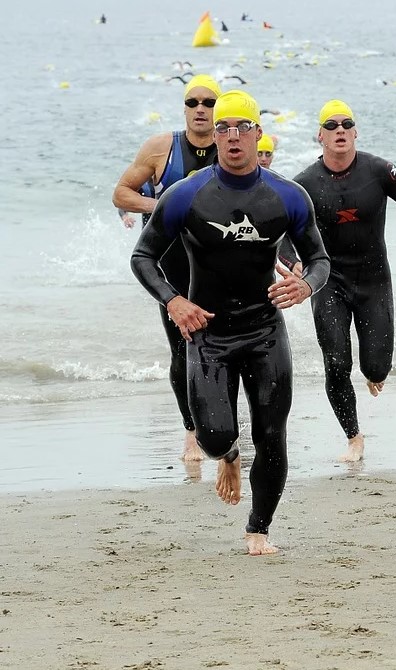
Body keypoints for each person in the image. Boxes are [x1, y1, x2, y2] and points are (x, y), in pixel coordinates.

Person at [130, 91, 330, 555]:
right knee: (216, 436)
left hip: (264, 331)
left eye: (243, 129)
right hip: (209, 334)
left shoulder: (288, 196)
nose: (233, 138)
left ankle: (258, 530)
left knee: (272, 434)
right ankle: (230, 458)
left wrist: (306, 286)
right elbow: (143, 256)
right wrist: (174, 301)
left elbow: (319, 259)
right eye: (224, 129)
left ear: (258, 135)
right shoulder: (186, 195)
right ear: (213, 135)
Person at [288, 99, 396, 463]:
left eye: (346, 125)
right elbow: (282, 231)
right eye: (331, 126)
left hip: (373, 280)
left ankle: (374, 371)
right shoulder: (304, 184)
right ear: (319, 135)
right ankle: (353, 436)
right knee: (336, 363)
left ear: (355, 132)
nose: (339, 131)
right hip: (328, 281)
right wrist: (291, 265)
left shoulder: (380, 171)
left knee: (377, 368)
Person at [112, 74, 222, 463]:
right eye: (192, 102)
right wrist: (159, 207)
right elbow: (121, 193)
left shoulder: (231, 146)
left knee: (224, 345)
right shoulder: (161, 147)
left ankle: (224, 423)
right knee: (182, 349)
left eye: (208, 102)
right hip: (171, 265)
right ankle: (191, 432)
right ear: (185, 108)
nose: (200, 109)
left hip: (217, 266)